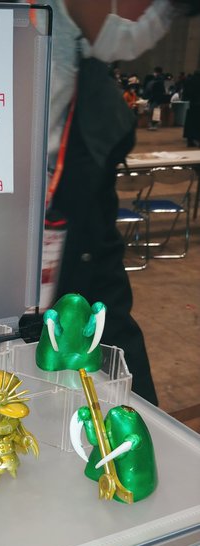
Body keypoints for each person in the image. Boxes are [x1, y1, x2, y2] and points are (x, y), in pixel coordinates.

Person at [34, 0, 200, 405]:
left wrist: (140, 409)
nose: (152, 19)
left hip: (69, 241)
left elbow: (103, 278)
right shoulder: (6, 29)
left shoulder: (80, 68)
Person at [182, 70, 200, 147]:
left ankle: (190, 141)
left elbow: (185, 93)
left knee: (190, 123)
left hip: (192, 104)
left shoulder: (189, 80)